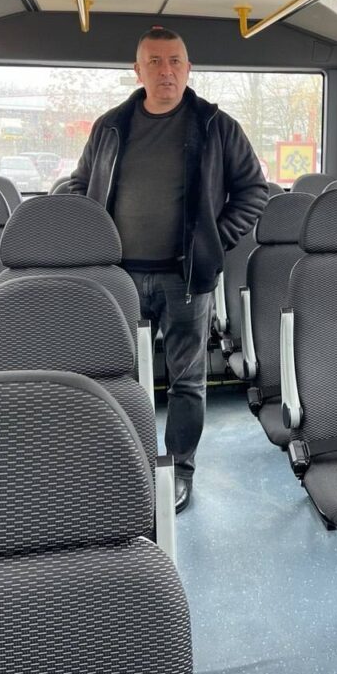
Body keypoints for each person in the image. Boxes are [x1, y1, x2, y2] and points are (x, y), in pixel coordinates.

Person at [68, 26, 268, 512]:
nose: (166, 71)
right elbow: (78, 186)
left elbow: (253, 191)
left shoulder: (216, 126)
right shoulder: (110, 127)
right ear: (137, 71)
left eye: (175, 61)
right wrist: (90, 239)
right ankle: (128, 464)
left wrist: (213, 241)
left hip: (187, 279)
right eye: (155, 62)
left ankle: (179, 468)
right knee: (120, 377)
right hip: (118, 278)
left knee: (187, 381)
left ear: (189, 68)